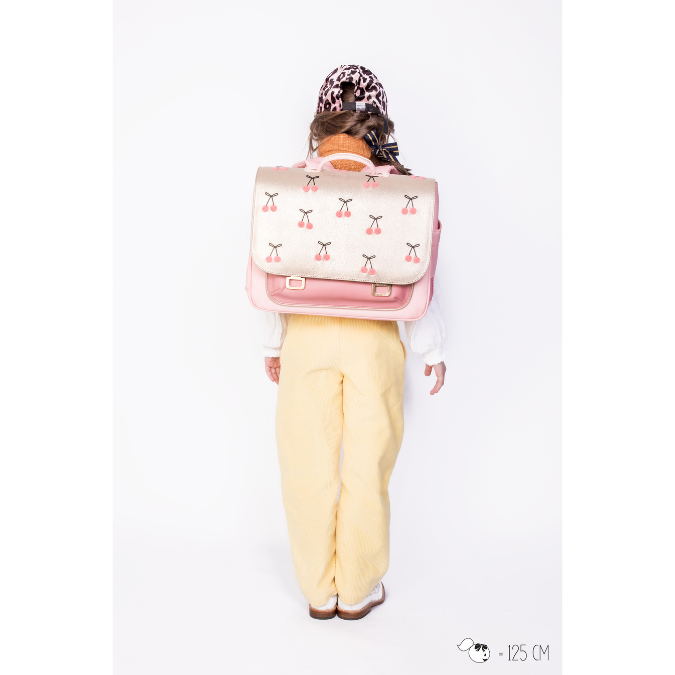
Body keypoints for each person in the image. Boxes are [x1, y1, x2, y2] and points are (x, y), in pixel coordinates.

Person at [256, 65, 447, 620]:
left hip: (307, 337)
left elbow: (271, 269)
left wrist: (273, 344)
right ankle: (359, 587)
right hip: (376, 341)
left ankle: (318, 590)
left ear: (320, 120)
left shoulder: (291, 186)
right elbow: (421, 283)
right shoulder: (399, 190)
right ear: (379, 125)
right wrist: (432, 350)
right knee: (368, 464)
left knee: (306, 462)